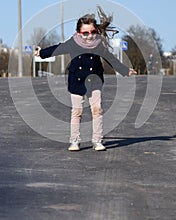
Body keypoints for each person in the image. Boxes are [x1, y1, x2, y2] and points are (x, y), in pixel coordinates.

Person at [35, 11, 136, 151]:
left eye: (93, 32)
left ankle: (97, 140)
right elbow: (58, 48)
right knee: (77, 111)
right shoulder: (73, 43)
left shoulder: (99, 44)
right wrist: (41, 53)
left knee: (97, 110)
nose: (90, 36)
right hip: (77, 80)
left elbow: (110, 58)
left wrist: (125, 70)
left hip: (95, 80)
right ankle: (75, 140)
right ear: (78, 32)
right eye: (85, 33)